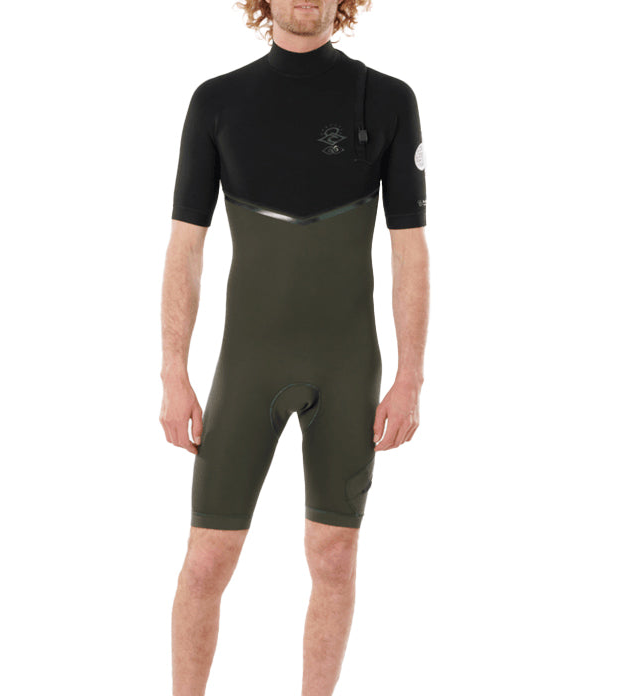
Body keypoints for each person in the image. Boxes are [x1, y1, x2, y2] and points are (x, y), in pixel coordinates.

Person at [160, 0, 429, 693]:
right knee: (206, 561)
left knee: (334, 555)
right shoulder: (217, 102)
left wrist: (411, 376)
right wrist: (172, 373)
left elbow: (409, 249)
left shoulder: (388, 99)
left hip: (347, 362)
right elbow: (186, 247)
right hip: (247, 364)